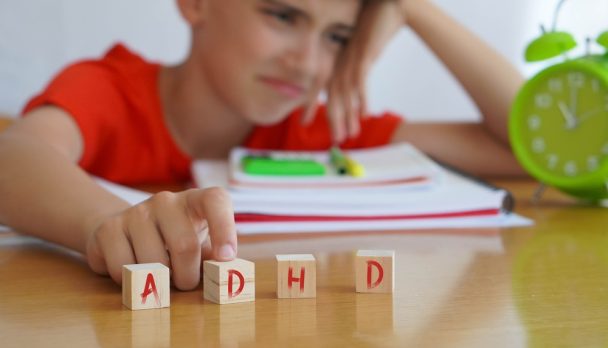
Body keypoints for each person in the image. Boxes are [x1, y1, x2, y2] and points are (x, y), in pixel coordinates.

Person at [0, 0, 525, 290]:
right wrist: (105, 223)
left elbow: (524, 148)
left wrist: (414, 9)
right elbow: (13, 156)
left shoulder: (317, 132)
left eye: (337, 38)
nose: (308, 63)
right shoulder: (108, 89)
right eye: (282, 15)